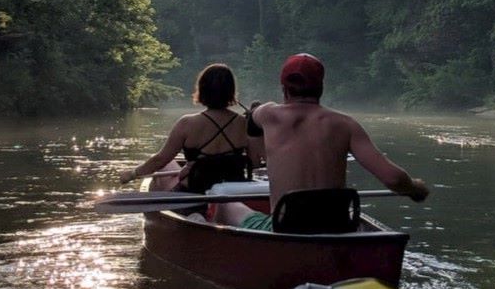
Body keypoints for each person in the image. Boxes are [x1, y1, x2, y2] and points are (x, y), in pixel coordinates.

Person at [217, 53, 429, 232]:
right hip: (336, 227)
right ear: (321, 87)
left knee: (225, 206)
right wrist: (415, 189)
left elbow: (252, 119)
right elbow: (393, 179)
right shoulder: (345, 124)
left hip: (285, 228)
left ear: (284, 88)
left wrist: (259, 149)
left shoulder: (269, 114)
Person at [119, 63, 264, 193]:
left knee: (167, 164)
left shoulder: (187, 123)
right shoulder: (244, 124)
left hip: (195, 189)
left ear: (202, 89)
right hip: (233, 191)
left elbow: (160, 160)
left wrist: (132, 174)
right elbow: (256, 163)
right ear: (231, 91)